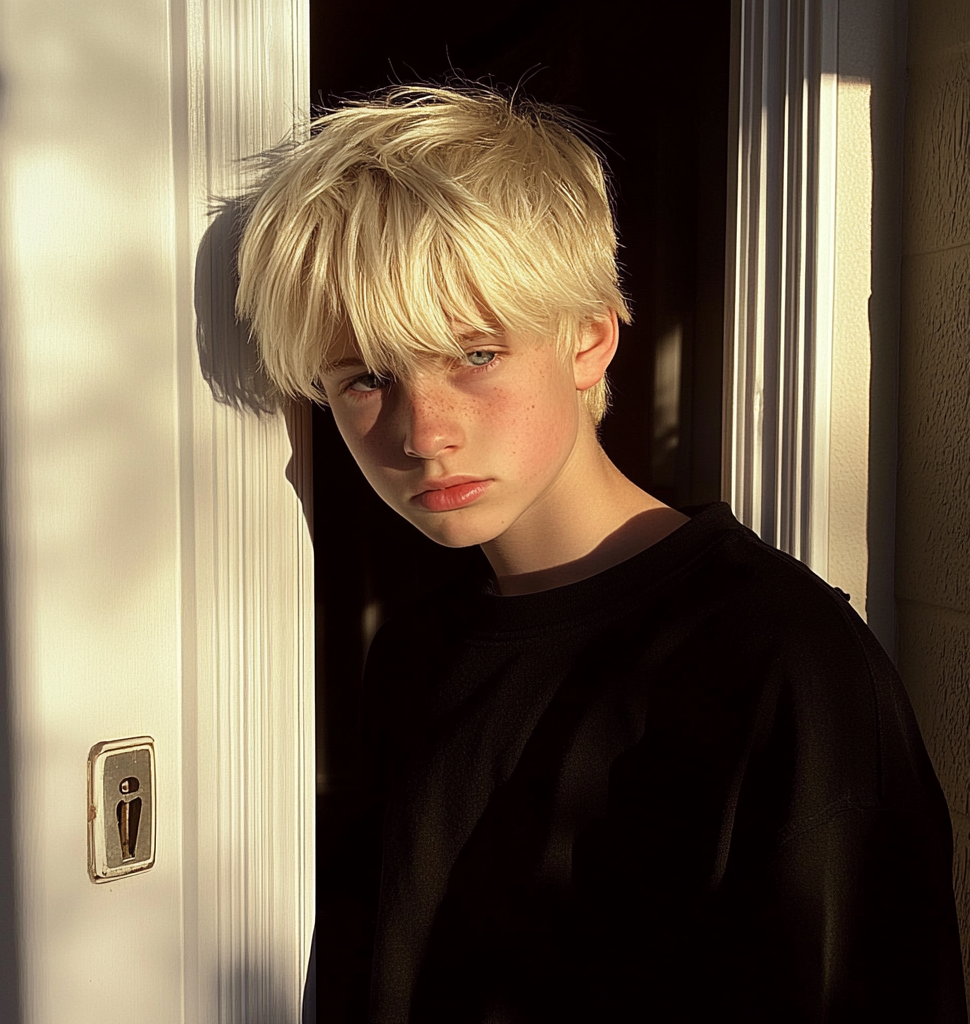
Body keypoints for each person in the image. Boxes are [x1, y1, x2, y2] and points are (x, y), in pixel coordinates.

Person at [235, 85, 966, 1023]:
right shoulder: (415, 651)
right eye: (367, 377)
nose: (424, 432)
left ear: (589, 339)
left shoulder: (780, 663)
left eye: (474, 353)